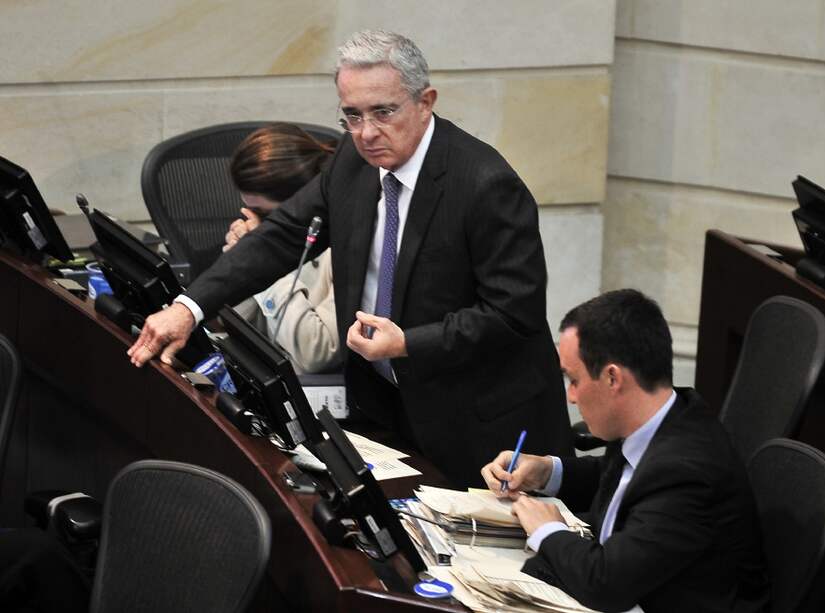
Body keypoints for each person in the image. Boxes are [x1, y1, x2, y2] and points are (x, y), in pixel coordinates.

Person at [127, 30, 573, 487]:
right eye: (352, 116)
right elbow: (280, 236)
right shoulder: (353, 160)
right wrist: (189, 308)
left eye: (383, 112)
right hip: (386, 407)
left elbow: (513, 314)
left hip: (481, 425)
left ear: (425, 101)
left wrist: (407, 343)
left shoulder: (484, 184)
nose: (367, 133)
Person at [481, 289, 770, 613]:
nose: (571, 396)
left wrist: (547, 531)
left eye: (573, 380)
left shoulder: (687, 472)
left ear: (612, 378)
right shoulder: (664, 417)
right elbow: (624, 478)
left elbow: (606, 585)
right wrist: (547, 471)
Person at [225, 123, 341, 374]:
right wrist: (243, 262)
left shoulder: (345, 243)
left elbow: (317, 352)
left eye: (264, 214)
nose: (256, 222)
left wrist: (266, 258)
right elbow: (235, 329)